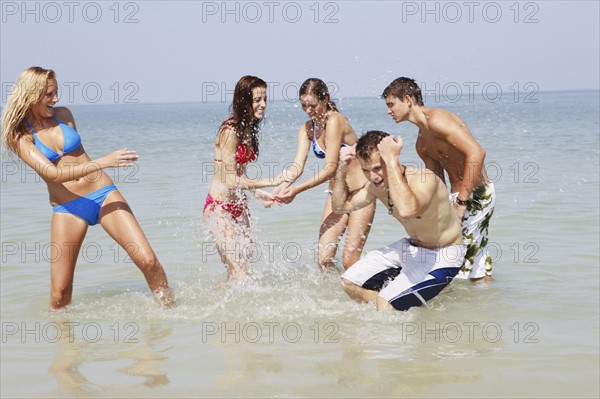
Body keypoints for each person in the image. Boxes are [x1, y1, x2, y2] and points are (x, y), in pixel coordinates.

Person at [1, 66, 175, 309]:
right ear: (31, 95)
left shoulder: (63, 115)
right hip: (68, 207)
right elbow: (53, 173)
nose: (56, 99)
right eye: (49, 94)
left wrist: (99, 167)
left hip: (103, 194)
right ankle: (67, 345)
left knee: (148, 261)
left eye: (56, 92)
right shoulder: (21, 137)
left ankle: (172, 314)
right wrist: (104, 161)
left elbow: (76, 157)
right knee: (60, 295)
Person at [332, 131, 465, 311]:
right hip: (411, 248)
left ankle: (392, 312)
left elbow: (407, 209)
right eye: (366, 170)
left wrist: (392, 159)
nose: (373, 177)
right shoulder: (376, 187)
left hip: (444, 254)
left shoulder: (423, 179)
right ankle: (395, 311)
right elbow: (340, 207)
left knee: (385, 302)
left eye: (378, 168)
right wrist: (341, 168)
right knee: (349, 282)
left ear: (391, 159)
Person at [382, 77, 496, 281]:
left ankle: (453, 306)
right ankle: (484, 302)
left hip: (476, 195)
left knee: (453, 258)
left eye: (391, 104)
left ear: (407, 99)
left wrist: (461, 203)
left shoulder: (438, 120)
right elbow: (436, 183)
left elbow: (477, 153)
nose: (388, 111)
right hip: (456, 198)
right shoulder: (421, 143)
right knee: (473, 260)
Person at [274, 78, 375, 270]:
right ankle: (342, 296)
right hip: (335, 194)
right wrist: (283, 186)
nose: (309, 110)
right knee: (324, 260)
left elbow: (330, 167)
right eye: (304, 105)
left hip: (361, 192)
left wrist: (297, 190)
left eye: (313, 105)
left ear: (326, 99)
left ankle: (376, 294)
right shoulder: (307, 129)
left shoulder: (335, 120)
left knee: (349, 260)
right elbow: (297, 166)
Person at [203, 75, 291, 280]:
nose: (263, 105)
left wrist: (259, 194)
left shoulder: (248, 130)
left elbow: (240, 175)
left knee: (246, 271)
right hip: (219, 208)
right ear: (244, 101)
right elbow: (230, 180)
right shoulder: (229, 131)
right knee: (240, 273)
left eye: (265, 99)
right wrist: (273, 181)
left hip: (239, 207)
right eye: (257, 100)